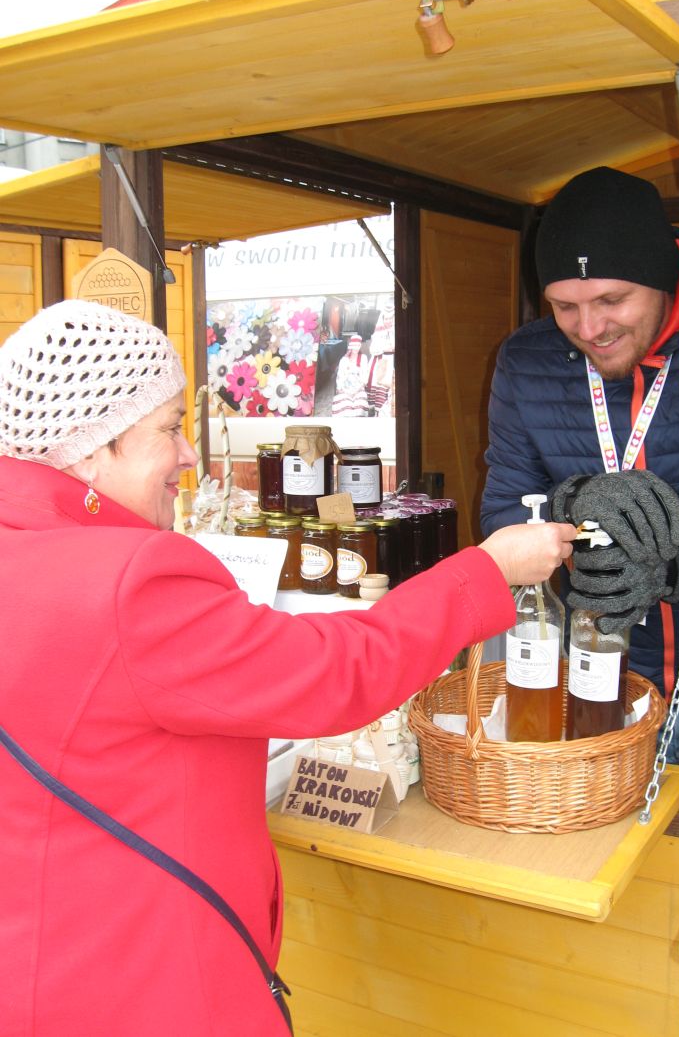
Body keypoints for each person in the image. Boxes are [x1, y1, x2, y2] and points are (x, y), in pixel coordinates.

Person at [0, 300, 575, 1037]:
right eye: (169, 428)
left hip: (36, 967)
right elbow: (333, 673)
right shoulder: (129, 579)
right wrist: (487, 570)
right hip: (150, 982)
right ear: (89, 448)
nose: (184, 455)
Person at [481, 166, 679, 771]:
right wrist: (573, 509)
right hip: (601, 689)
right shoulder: (526, 361)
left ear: (665, 277)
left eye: (612, 299)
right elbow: (503, 514)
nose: (591, 329)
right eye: (564, 307)